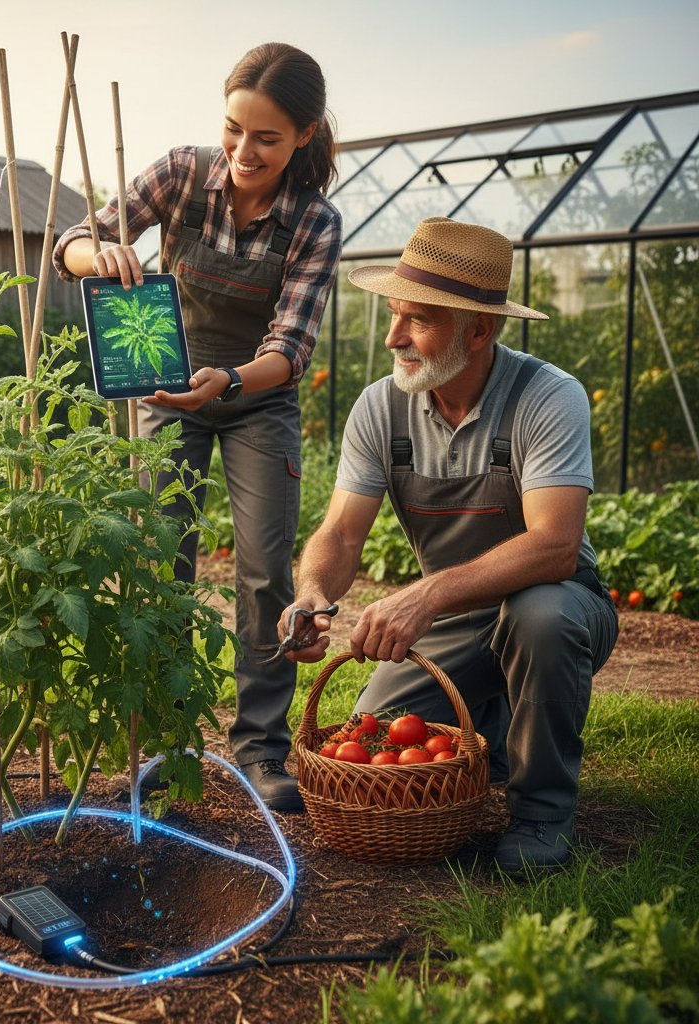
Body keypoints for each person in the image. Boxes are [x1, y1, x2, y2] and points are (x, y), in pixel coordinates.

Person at [54, 42, 342, 811]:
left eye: (267, 139)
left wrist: (233, 380)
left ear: (305, 136)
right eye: (234, 130)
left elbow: (291, 346)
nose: (244, 152)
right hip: (165, 380)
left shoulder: (314, 220)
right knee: (161, 560)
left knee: (262, 574)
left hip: (257, 394)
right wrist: (101, 252)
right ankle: (170, 743)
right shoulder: (182, 172)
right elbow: (72, 240)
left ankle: (259, 750)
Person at [279, 216, 619, 869]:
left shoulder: (547, 397)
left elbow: (555, 546)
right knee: (374, 734)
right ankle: (499, 729)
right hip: (456, 623)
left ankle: (542, 815)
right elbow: (342, 533)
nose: (392, 336)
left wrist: (425, 595)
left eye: (418, 321)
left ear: (480, 330)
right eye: (394, 314)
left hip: (561, 604)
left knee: (538, 618)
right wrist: (313, 593)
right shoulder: (382, 408)